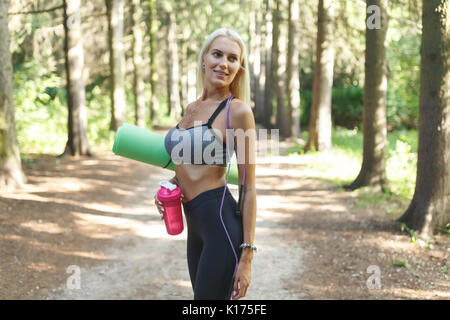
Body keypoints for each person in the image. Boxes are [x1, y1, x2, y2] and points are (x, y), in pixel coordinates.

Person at [154, 28, 256, 300]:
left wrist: (247, 257)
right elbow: (190, 161)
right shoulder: (192, 108)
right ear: (203, 59)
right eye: (217, 54)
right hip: (194, 225)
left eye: (232, 58)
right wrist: (172, 186)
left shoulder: (237, 112)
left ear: (238, 68)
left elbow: (249, 188)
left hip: (220, 225)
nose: (224, 63)